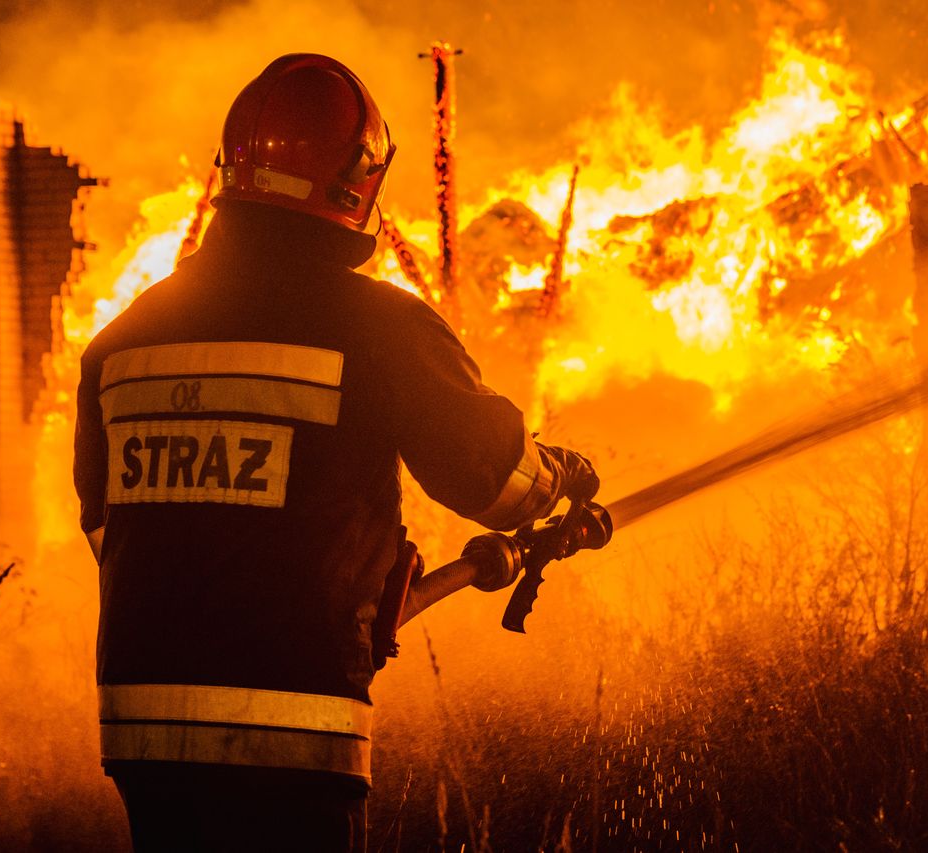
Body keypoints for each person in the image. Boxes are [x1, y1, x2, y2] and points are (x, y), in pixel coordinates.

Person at [72, 54, 599, 851]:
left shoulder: (122, 339)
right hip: (296, 733)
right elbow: (497, 482)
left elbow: (108, 531)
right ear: (357, 181)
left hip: (144, 738)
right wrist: (563, 473)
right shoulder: (376, 325)